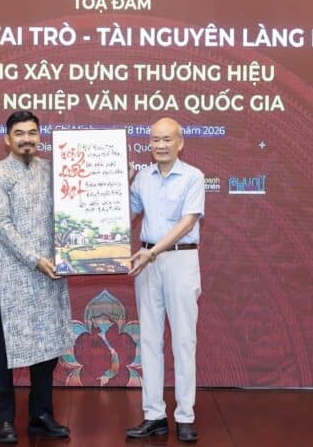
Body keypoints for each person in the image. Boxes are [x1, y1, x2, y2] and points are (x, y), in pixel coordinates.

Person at [0, 110, 72, 444]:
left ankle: (41, 415)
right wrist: (34, 260)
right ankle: (5, 419)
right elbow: (1, 226)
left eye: (32, 133)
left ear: (39, 136)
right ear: (8, 139)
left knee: (47, 346)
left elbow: (73, 210)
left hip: (51, 272)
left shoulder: (52, 171)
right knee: (6, 350)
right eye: (19, 134)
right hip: (15, 276)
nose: (27, 139)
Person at [125, 117, 205, 443]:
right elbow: (124, 215)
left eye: (167, 139)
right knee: (149, 340)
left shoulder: (193, 176)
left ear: (180, 143)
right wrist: (119, 185)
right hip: (147, 263)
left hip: (179, 260)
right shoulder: (143, 177)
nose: (160, 145)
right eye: (155, 139)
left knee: (184, 341)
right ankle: (154, 415)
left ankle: (185, 415)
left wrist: (153, 252)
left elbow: (187, 223)